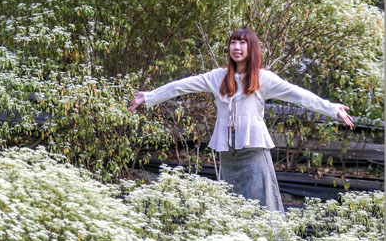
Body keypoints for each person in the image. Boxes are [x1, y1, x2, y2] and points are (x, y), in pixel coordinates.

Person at [128, 28, 353, 213]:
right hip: (227, 151)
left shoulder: (263, 79)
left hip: (253, 149)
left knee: (259, 204)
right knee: (229, 201)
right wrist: (148, 97)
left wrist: (333, 109)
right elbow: (181, 85)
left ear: (251, 48)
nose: (236, 47)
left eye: (242, 43)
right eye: (233, 42)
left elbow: (299, 95)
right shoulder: (217, 77)